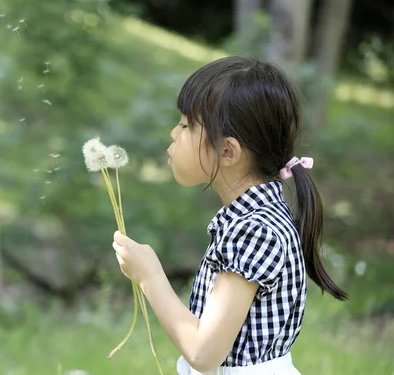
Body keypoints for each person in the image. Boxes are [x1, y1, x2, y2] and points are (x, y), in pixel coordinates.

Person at [111, 56, 348, 375]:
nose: (173, 133)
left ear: (228, 151)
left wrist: (149, 276)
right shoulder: (253, 218)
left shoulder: (254, 230)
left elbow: (204, 352)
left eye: (185, 125)